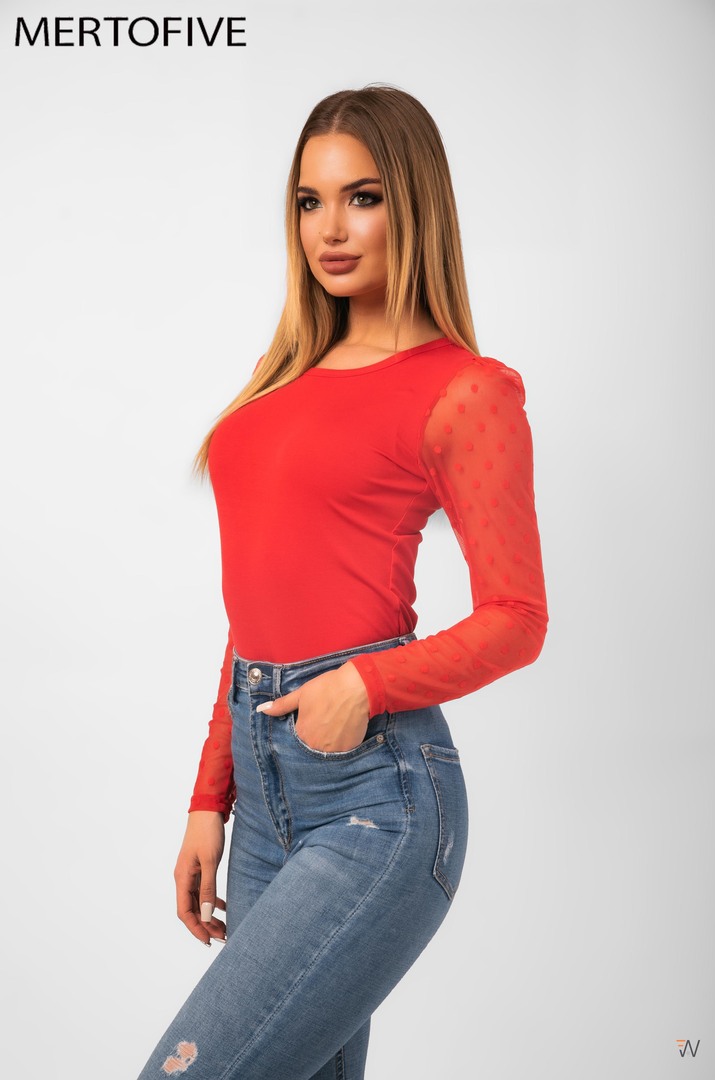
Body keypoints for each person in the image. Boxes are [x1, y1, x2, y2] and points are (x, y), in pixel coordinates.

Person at [137, 83, 548, 1080]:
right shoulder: (279, 381)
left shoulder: (466, 391)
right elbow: (256, 610)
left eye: (361, 197)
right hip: (260, 786)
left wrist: (365, 683)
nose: (330, 228)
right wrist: (209, 798)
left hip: (376, 798)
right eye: (309, 201)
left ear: (415, 203)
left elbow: (516, 618)